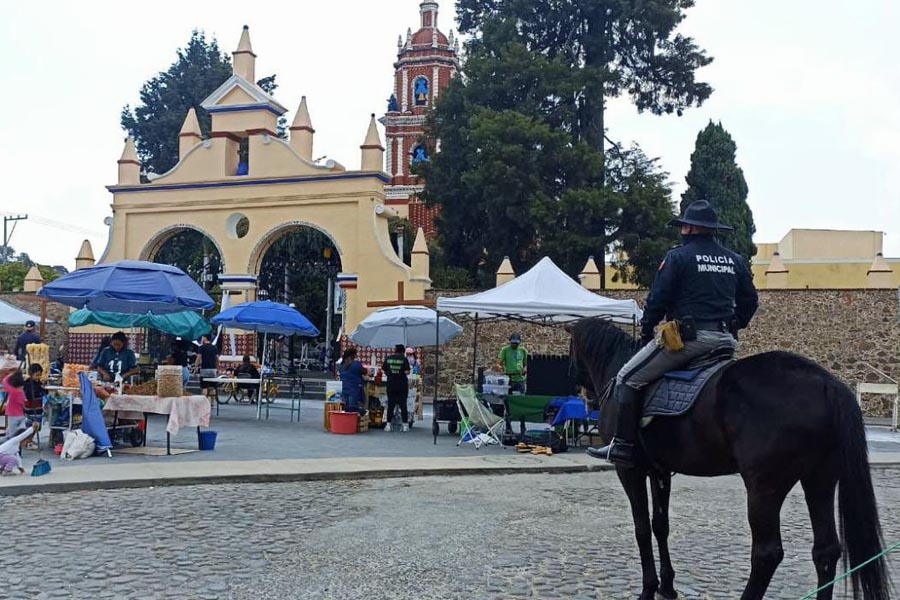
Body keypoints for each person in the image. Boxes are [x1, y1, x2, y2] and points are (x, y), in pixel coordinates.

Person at [588, 200, 759, 468]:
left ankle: (622, 445)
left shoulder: (678, 256)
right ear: (712, 230)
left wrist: (646, 331)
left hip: (688, 341)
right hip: (724, 341)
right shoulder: (734, 260)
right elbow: (750, 301)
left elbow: (658, 298)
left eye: (684, 226)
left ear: (690, 227)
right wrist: (736, 324)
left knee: (626, 377)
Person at [382, 344, 411, 431]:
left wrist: (389, 374)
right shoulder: (404, 359)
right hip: (402, 385)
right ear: (402, 351)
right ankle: (405, 425)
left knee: (390, 405)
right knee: (403, 405)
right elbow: (407, 372)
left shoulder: (388, 358)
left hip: (391, 384)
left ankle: (388, 425)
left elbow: (384, 369)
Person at [339, 348, 367, 415]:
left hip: (345, 390)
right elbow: (365, 372)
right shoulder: (356, 364)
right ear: (353, 355)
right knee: (354, 409)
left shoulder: (342, 365)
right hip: (355, 391)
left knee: (347, 409)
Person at [1, 371, 27, 440]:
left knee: (11, 432)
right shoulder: (22, 392)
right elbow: (24, 404)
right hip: (21, 415)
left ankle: (9, 442)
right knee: (17, 430)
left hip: (12, 415)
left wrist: (10, 374)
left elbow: (4, 381)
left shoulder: (12, 391)